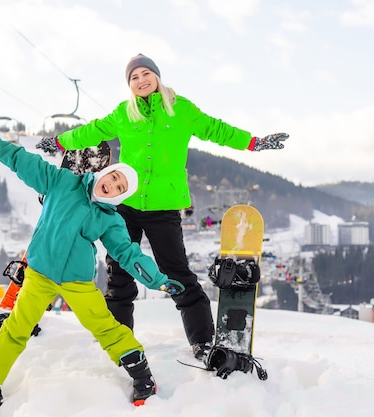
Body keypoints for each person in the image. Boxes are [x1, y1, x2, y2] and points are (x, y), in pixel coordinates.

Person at [35, 53, 289, 361]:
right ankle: (118, 339)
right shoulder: (124, 113)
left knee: (176, 271)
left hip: (164, 207)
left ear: (156, 76)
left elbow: (216, 129)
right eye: (134, 77)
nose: (141, 81)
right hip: (125, 205)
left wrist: (254, 142)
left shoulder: (180, 109)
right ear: (129, 84)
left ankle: (203, 341)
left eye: (145, 74)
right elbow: (93, 130)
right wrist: (61, 143)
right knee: (119, 273)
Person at [0, 127, 184, 415]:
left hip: (78, 282)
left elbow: (128, 253)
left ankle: (141, 376)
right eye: (113, 177)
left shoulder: (110, 220)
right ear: (105, 173)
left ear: (120, 197)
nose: (112, 185)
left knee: (105, 326)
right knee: (18, 326)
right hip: (39, 273)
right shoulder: (62, 181)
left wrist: (159, 281)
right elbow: (23, 162)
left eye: (120, 188)